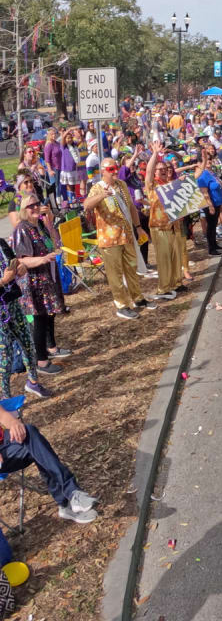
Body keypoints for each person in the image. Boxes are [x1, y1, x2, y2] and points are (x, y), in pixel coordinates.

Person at [0, 403, 98, 523]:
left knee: (30, 433)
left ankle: (69, 497)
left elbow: (3, 414)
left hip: (5, 442)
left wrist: (14, 423)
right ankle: (68, 497)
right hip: (4, 458)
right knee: (38, 449)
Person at [84, 157, 152, 319]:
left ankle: (137, 298)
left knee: (131, 269)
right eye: (110, 169)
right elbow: (87, 205)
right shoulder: (97, 188)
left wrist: (138, 227)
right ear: (102, 171)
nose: (114, 171)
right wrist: (101, 196)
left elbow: (131, 208)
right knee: (115, 273)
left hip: (127, 235)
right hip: (110, 240)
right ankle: (121, 304)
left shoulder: (121, 185)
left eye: (115, 168)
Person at [12, 194, 70, 384]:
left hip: (46, 277)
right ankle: (41, 362)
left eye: (37, 204)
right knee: (38, 319)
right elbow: (22, 259)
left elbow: (55, 242)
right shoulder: (22, 229)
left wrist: (50, 222)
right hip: (32, 282)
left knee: (48, 315)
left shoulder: (39, 225)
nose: (36, 208)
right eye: (31, 206)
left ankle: (51, 349)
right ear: (23, 210)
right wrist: (43, 259)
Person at [0, 233, 50, 399]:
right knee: (5, 356)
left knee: (28, 344)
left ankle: (33, 382)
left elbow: (16, 262)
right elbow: (5, 278)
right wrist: (2, 281)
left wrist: (21, 268)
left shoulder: (1, 243)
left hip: (13, 303)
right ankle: (6, 399)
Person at [144, 140, 184, 299]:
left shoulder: (170, 183)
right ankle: (163, 289)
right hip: (158, 227)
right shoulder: (151, 185)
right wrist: (155, 154)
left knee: (174, 257)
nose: (161, 171)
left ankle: (174, 283)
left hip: (172, 226)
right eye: (158, 170)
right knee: (164, 258)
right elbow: (148, 171)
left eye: (163, 169)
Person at [195, 149, 222, 255]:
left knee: (214, 225)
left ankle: (214, 244)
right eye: (207, 159)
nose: (209, 161)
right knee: (211, 226)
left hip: (217, 202)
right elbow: (205, 193)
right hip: (210, 204)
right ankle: (211, 249)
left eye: (210, 159)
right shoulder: (202, 175)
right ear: (200, 162)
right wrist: (211, 206)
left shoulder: (212, 172)